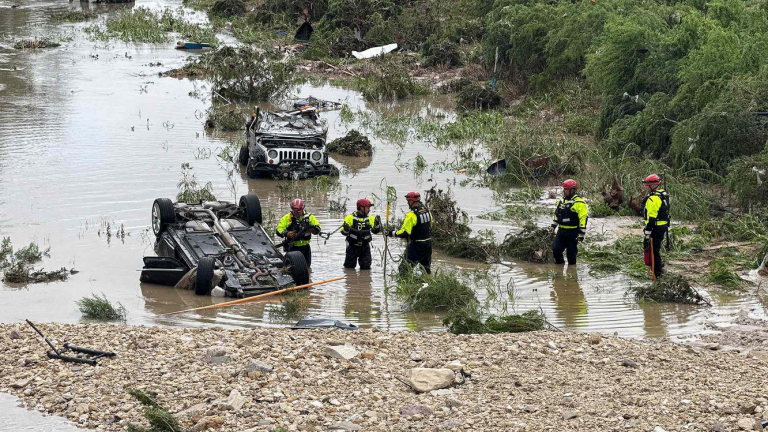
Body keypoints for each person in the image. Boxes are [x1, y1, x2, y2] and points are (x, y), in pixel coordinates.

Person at [386, 191, 432, 274]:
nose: (408, 203)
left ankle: (405, 285)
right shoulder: (427, 212)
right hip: (428, 245)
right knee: (425, 270)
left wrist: (390, 233)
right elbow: (429, 226)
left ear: (412, 201)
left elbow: (404, 233)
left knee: (404, 269)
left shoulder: (411, 215)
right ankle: (427, 284)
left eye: (408, 201)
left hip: (416, 246)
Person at [550, 179, 589, 265]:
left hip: (573, 232)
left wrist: (581, 234)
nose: (564, 191)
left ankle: (572, 274)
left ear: (572, 190)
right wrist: (553, 226)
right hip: (561, 231)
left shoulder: (579, 203)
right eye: (563, 189)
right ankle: (559, 271)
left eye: (566, 189)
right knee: (556, 250)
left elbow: (583, 219)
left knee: (571, 255)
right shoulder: (561, 201)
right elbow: (557, 215)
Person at [275, 199, 321, 266]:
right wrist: (287, 233)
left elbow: (318, 228)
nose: (296, 213)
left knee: (306, 267)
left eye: (298, 211)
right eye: (294, 211)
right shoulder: (287, 218)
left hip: (306, 248)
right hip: (292, 247)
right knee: (292, 268)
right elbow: (279, 229)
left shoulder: (309, 217)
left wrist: (314, 230)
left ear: (302, 209)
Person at [341, 198, 382, 270]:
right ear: (361, 208)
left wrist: (377, 225)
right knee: (349, 269)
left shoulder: (371, 218)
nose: (369, 210)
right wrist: (346, 228)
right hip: (352, 246)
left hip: (365, 247)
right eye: (368, 208)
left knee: (366, 269)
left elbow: (375, 231)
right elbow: (343, 232)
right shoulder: (349, 218)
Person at [642, 174, 670, 279]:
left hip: (656, 227)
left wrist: (648, 231)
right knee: (655, 248)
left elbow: (652, 218)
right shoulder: (663, 194)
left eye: (647, 185)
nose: (646, 187)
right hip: (662, 226)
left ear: (653, 186)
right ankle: (658, 268)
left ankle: (657, 273)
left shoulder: (653, 199)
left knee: (653, 250)